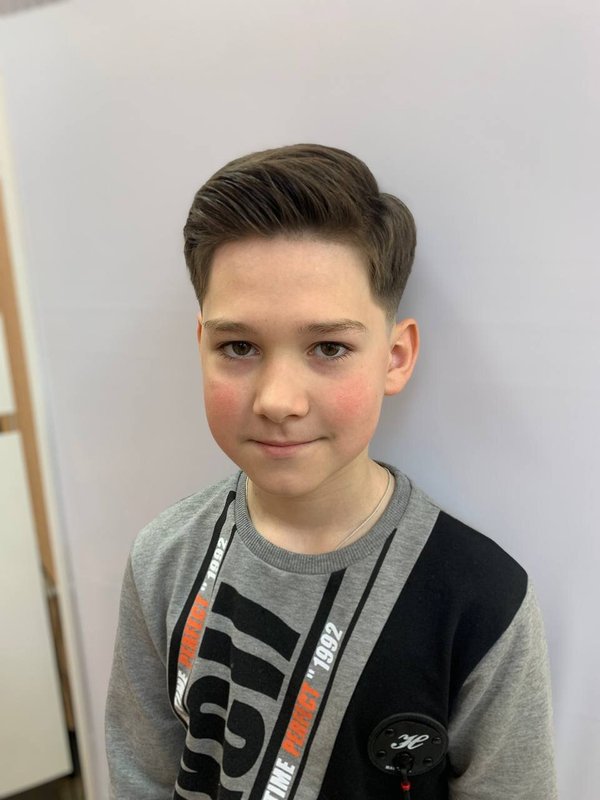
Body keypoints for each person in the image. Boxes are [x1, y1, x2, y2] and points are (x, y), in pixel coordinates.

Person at [105, 144, 557, 799]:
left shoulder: (482, 603)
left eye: (328, 347)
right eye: (239, 346)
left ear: (395, 357)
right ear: (201, 345)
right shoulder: (162, 561)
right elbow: (140, 779)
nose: (277, 400)